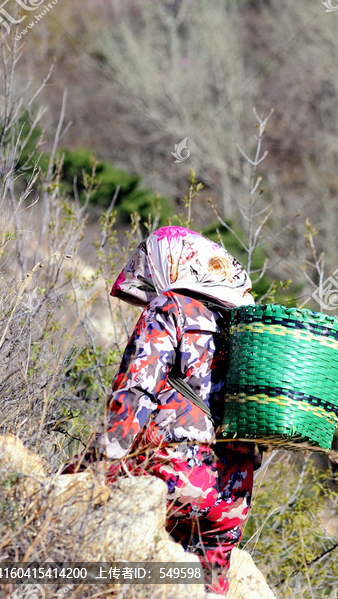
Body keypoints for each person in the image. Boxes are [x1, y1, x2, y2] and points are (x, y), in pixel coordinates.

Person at [63, 226, 262, 597]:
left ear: (173, 263)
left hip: (175, 474)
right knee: (206, 589)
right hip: (234, 494)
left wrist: (95, 464)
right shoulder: (245, 329)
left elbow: (136, 389)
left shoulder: (171, 307)